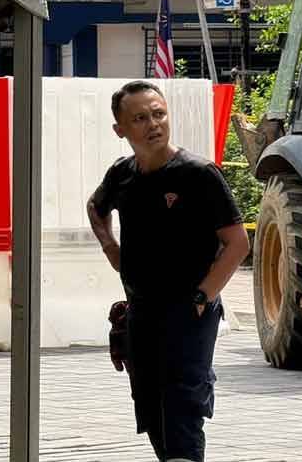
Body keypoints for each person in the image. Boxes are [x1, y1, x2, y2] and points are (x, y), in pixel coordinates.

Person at [87, 81, 248, 462]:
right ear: (120, 129)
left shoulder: (198, 173)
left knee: (183, 408)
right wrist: (112, 248)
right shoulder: (123, 174)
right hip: (141, 309)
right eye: (140, 118)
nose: (153, 124)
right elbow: (97, 207)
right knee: (150, 405)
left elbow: (238, 243)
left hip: (189, 311)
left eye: (158, 114)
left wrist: (202, 297)